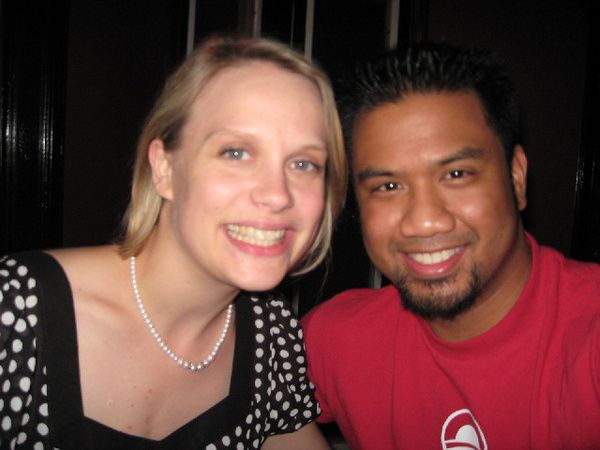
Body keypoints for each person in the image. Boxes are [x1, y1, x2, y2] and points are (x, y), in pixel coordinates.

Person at [0, 35, 347, 449]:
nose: (277, 195)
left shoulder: (270, 335)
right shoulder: (16, 310)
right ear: (164, 169)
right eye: (236, 153)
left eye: (304, 163)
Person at [301, 42, 600, 449]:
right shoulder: (334, 341)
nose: (424, 221)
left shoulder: (588, 337)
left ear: (516, 179)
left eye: (457, 174)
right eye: (388, 186)